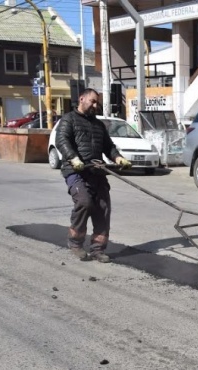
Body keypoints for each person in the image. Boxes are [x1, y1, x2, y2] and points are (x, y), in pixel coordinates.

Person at [55, 88, 132, 263]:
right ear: (81, 99)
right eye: (93, 101)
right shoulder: (69, 120)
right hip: (76, 171)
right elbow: (62, 140)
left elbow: (108, 146)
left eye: (97, 102)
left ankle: (98, 249)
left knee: (103, 207)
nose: (95, 105)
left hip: (97, 171)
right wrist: (73, 158)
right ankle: (75, 243)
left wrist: (118, 158)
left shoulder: (98, 125)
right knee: (84, 202)